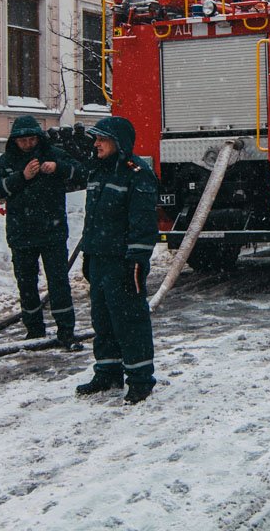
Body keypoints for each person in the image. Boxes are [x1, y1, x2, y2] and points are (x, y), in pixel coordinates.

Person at [75, 115, 160, 404]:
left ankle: (140, 378)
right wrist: (89, 253)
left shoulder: (137, 173)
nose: (96, 144)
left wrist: (136, 259)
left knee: (130, 320)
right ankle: (108, 371)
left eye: (101, 139)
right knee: (103, 319)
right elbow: (93, 219)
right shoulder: (98, 172)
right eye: (95, 139)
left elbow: (144, 222)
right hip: (99, 257)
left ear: (117, 142)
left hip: (123, 261)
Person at [0, 116, 87, 350]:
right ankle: (34, 330)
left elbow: (82, 172)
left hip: (52, 232)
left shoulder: (52, 154)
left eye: (32, 139)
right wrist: (22, 177)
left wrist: (59, 168)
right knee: (27, 284)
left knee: (58, 283)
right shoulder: (6, 161)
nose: (28, 144)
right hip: (21, 234)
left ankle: (66, 332)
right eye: (23, 140)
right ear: (15, 141)